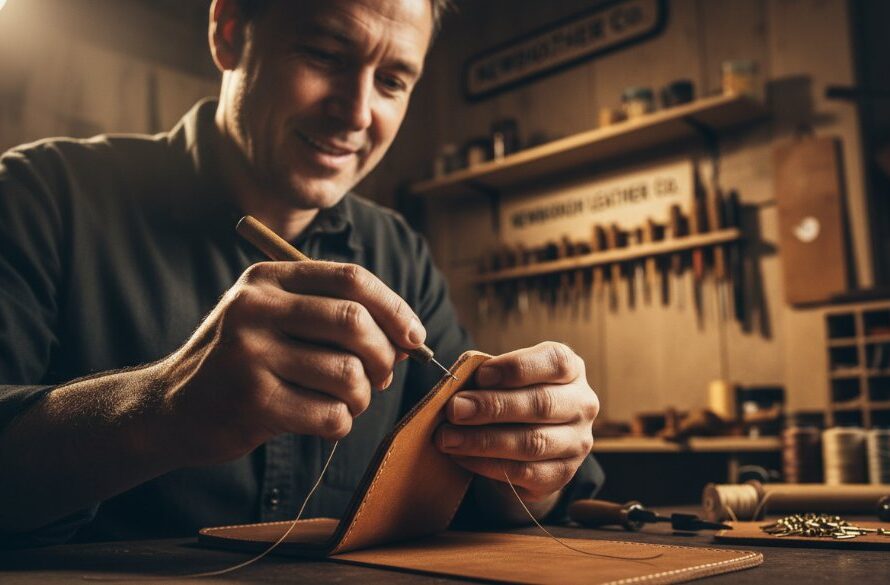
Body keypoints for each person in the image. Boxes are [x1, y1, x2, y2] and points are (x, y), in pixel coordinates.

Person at [0, 0, 602, 546]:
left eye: (392, 81)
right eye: (324, 55)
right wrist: (162, 409)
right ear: (229, 32)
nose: (356, 113)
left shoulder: (399, 251)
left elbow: (476, 481)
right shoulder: (39, 198)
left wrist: (527, 467)